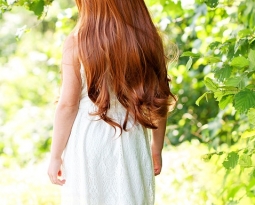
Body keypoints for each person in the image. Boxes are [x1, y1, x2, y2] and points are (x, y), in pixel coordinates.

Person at [48, 0, 176, 204]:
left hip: (89, 138)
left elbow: (67, 105)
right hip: (131, 135)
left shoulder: (77, 41)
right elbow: (158, 98)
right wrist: (156, 147)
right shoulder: (147, 39)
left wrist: (55, 155)